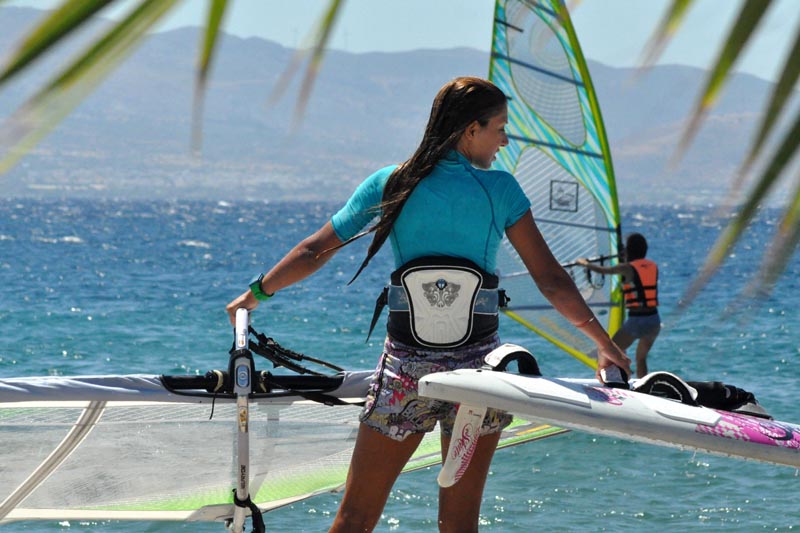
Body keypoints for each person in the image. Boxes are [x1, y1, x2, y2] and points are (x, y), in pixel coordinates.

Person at [226, 76, 630, 533]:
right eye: (500, 127)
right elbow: (552, 280)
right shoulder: (501, 190)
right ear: (470, 129)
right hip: (480, 380)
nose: (505, 139)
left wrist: (254, 295)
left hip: (406, 374)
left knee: (355, 517)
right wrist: (603, 343)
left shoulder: (392, 182)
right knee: (458, 525)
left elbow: (312, 250)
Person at [577, 233, 660, 378]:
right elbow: (637, 280)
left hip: (637, 321)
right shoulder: (653, 266)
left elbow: (605, 271)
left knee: (609, 353)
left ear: (629, 251)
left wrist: (585, 264)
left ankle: (621, 380)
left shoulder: (626, 268)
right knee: (641, 359)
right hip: (654, 320)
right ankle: (643, 386)